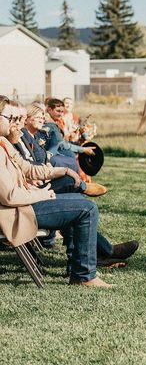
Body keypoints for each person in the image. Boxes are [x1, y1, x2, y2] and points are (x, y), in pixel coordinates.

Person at [0, 100, 110, 287]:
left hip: (25, 203)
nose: (16, 122)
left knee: (78, 199)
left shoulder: (3, 143)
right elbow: (9, 196)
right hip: (15, 214)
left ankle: (83, 266)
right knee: (87, 208)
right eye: (11, 118)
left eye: (19, 118)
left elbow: (28, 168)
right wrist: (41, 194)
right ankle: (84, 275)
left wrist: (62, 171)